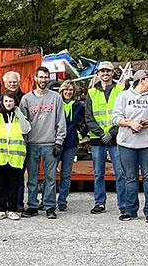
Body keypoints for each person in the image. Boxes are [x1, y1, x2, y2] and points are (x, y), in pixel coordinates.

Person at [113, 69, 148, 223]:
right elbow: (116, 118)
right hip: (127, 143)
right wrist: (131, 123)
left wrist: (147, 123)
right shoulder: (124, 96)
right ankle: (130, 210)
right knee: (130, 177)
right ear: (141, 80)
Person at [19, 66, 66, 219]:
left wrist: (59, 142)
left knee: (50, 177)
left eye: (46, 77)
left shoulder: (55, 98)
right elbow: (22, 123)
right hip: (32, 143)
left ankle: (49, 206)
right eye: (41, 77)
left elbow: (61, 121)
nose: (43, 80)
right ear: (35, 78)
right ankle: (32, 205)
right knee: (32, 177)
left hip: (50, 143)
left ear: (49, 78)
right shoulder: (26, 99)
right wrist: (23, 142)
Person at [84, 61, 127, 215]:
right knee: (98, 173)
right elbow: (88, 118)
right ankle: (99, 203)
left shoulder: (121, 90)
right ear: (98, 73)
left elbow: (125, 114)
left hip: (117, 137)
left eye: (108, 71)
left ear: (112, 73)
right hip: (98, 139)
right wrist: (102, 134)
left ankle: (123, 204)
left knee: (120, 173)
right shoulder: (91, 93)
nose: (105, 74)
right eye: (102, 71)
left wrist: (112, 132)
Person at [0, 90, 31, 221]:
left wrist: (18, 113)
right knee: (1, 185)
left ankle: (12, 210)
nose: (8, 103)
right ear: (2, 102)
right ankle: (2, 209)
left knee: (13, 185)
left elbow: (26, 129)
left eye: (11, 101)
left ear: (15, 102)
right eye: (6, 101)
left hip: (15, 158)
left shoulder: (18, 117)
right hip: (1, 158)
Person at [57, 80, 86, 211]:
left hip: (71, 143)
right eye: (66, 90)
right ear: (61, 91)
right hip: (56, 142)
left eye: (70, 90)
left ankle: (62, 200)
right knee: (50, 173)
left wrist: (84, 134)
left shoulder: (78, 106)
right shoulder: (57, 103)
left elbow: (86, 120)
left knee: (66, 173)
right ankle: (47, 199)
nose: (68, 92)